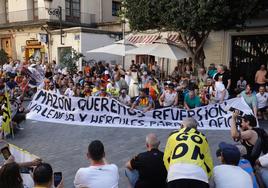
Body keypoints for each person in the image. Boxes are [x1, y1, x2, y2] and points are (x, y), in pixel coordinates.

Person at [163, 118, 213, 188]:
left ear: (181, 126)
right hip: (198, 175)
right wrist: (206, 177)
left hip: (175, 175)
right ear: (196, 128)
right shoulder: (203, 137)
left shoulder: (172, 136)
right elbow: (208, 162)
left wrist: (171, 171)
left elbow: (166, 158)